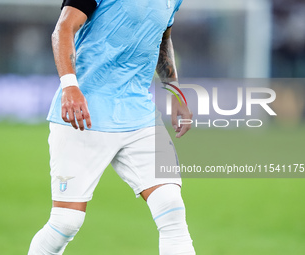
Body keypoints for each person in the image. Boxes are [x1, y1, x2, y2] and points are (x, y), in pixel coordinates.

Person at [28, 0, 195, 254]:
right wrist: (70, 86)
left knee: (171, 208)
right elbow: (63, 29)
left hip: (139, 113)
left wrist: (174, 90)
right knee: (65, 223)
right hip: (84, 113)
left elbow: (162, 38)